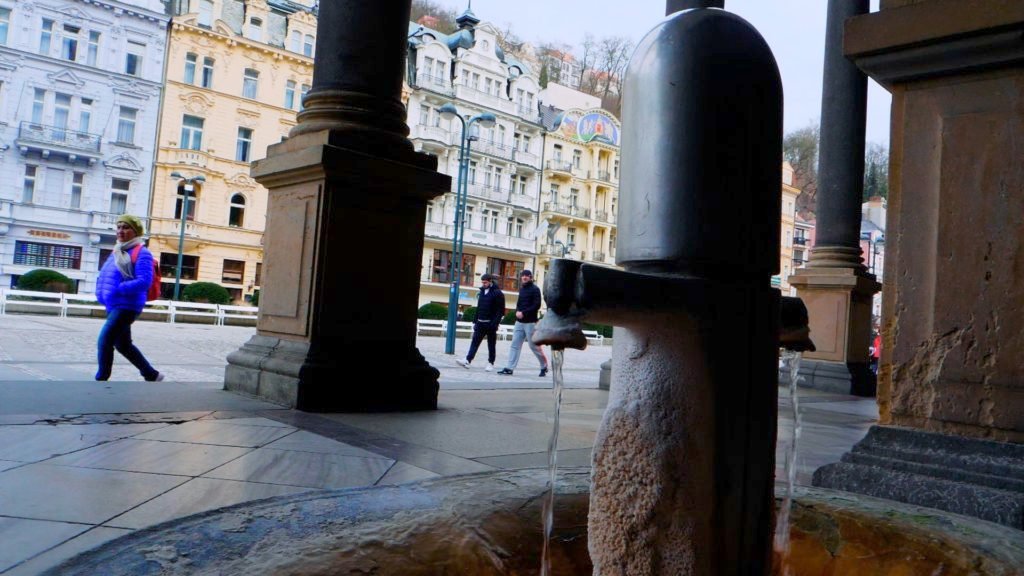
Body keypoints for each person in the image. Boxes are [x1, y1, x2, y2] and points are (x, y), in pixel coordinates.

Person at [94, 214, 163, 382]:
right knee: (123, 344)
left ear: (135, 232)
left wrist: (119, 289)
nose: (120, 231)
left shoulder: (142, 253)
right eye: (119, 227)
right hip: (114, 303)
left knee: (105, 340)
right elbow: (106, 276)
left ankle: (101, 379)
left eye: (125, 227)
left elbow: (144, 281)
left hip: (128, 305)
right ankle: (151, 374)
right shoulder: (117, 250)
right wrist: (101, 293)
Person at [497, 270, 549, 377]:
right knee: (514, 345)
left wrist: (523, 313)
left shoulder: (535, 289)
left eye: (527, 276)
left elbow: (537, 305)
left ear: (531, 277)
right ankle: (509, 368)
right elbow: (519, 304)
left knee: (533, 346)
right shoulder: (522, 289)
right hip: (519, 322)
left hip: (530, 323)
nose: (524, 277)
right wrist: (517, 311)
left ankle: (544, 365)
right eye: (523, 276)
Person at [456, 273, 505, 371]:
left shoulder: (498, 293)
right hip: (480, 323)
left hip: (490, 324)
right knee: (474, 342)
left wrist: (495, 324)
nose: (483, 284)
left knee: (491, 344)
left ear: (490, 281)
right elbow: (479, 307)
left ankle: (491, 363)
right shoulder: (482, 292)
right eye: (482, 282)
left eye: (485, 282)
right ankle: (468, 360)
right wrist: (475, 321)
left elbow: (500, 311)